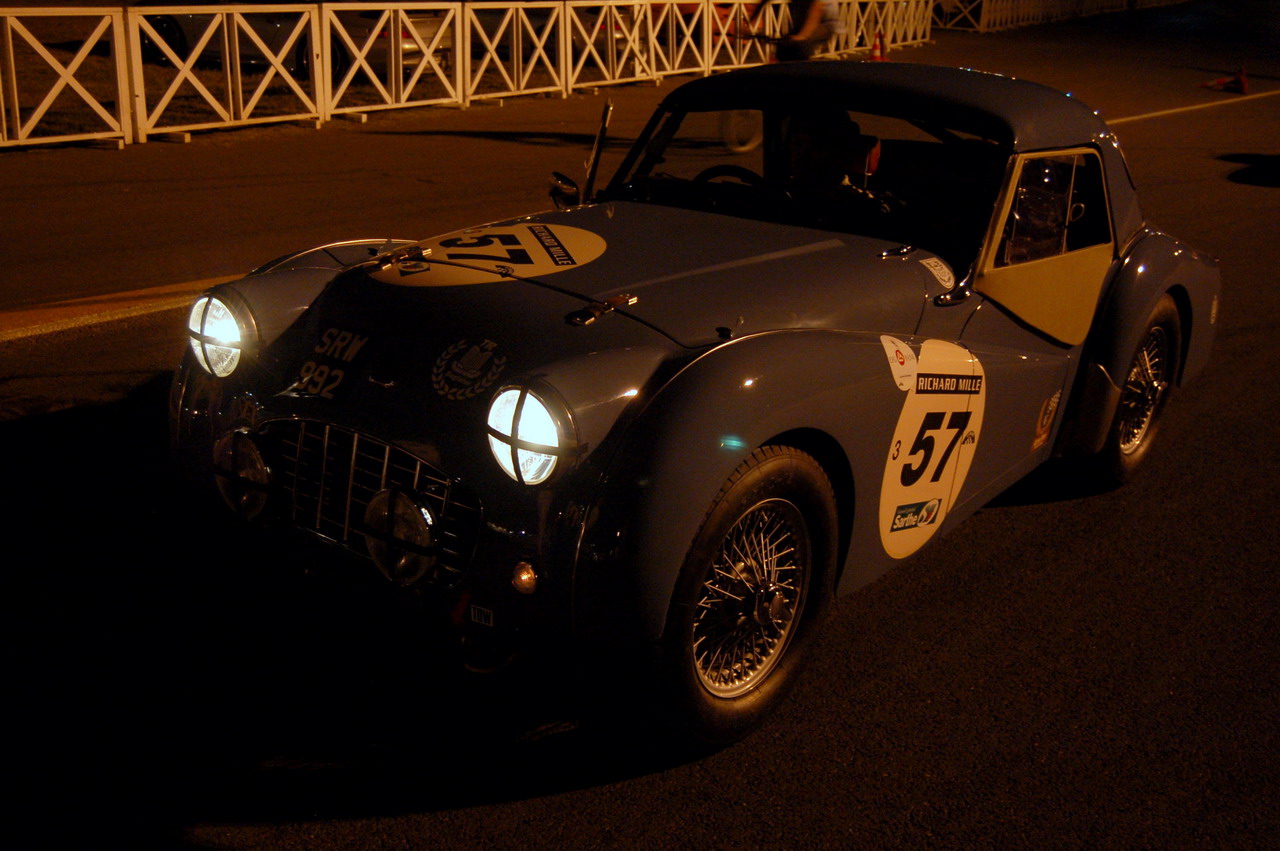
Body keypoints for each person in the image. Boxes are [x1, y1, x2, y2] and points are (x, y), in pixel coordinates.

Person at [746, 0, 841, 62]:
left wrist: (803, 36)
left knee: (797, 48)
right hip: (804, 25)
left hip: (823, 24)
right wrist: (751, 22)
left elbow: (817, 8)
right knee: (787, 47)